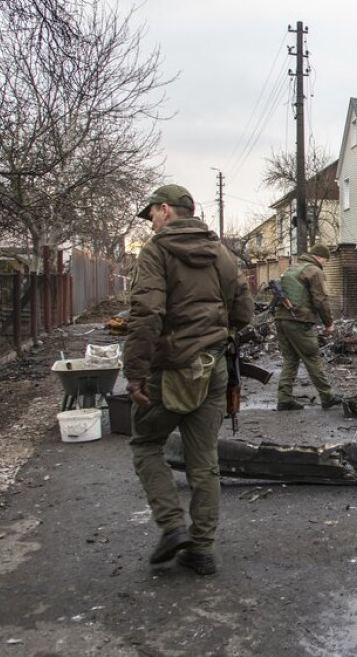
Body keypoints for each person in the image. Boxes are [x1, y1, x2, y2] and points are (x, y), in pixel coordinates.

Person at [123, 184, 253, 576]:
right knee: (204, 460)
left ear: (166, 210)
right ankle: (201, 550)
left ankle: (172, 526)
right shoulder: (221, 253)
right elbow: (244, 309)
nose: (150, 223)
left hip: (170, 369)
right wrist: (217, 330)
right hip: (212, 367)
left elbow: (146, 314)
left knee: (146, 444)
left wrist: (134, 373)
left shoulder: (156, 252)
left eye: (151, 215)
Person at [274, 243, 345, 411]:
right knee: (312, 358)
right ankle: (327, 396)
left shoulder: (293, 268)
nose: (326, 265)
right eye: (326, 261)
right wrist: (329, 323)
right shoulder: (314, 271)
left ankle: (284, 399)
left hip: (281, 318)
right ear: (320, 257)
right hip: (300, 320)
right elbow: (320, 300)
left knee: (290, 359)